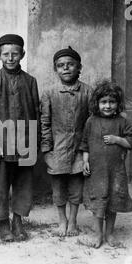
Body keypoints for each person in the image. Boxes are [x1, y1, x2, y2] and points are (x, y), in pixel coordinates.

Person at [0, 34, 39, 241]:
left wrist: (35, 142)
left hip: (25, 142)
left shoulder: (30, 82)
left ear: (22, 54)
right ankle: (3, 223)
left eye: (15, 54)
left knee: (23, 184)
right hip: (2, 145)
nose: (10, 58)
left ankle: (18, 220)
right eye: (5, 54)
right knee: (1, 186)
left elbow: (35, 112)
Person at [40, 46, 92, 237]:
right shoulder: (49, 93)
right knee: (59, 187)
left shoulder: (88, 92)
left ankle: (73, 221)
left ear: (79, 67)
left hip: (79, 148)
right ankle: (62, 220)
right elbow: (44, 122)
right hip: (58, 149)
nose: (66, 69)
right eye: (61, 66)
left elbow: (92, 122)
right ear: (55, 70)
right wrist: (46, 150)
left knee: (76, 187)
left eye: (71, 65)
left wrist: (87, 152)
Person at [79, 80, 132, 248]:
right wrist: (85, 161)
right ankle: (97, 235)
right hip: (96, 172)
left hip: (116, 171)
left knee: (113, 202)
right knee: (98, 203)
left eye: (112, 102)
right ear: (97, 103)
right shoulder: (91, 121)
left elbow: (131, 142)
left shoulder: (122, 122)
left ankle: (109, 234)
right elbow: (84, 144)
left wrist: (117, 139)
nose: (108, 106)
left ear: (118, 103)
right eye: (104, 102)